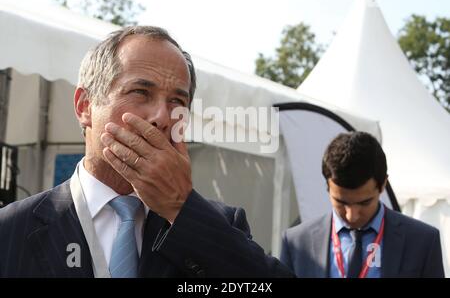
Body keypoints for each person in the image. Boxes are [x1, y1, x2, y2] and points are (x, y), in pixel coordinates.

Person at [0, 26, 292, 278]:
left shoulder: (221, 224)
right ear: (85, 106)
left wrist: (181, 208)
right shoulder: (11, 230)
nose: (162, 118)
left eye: (177, 101)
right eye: (141, 93)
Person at [280, 131, 445, 278]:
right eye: (341, 202)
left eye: (364, 202)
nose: (352, 215)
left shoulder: (422, 242)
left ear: (383, 185)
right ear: (327, 186)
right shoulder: (297, 243)